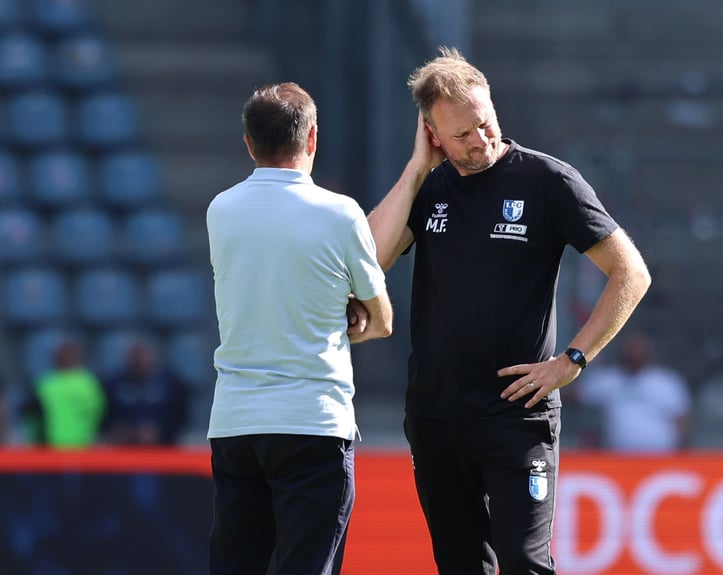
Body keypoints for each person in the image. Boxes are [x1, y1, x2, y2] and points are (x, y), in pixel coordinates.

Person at [368, 47, 651, 574]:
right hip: (435, 415)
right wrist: (415, 169)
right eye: (461, 134)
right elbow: (370, 261)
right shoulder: (428, 186)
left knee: (524, 563)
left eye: (485, 122)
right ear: (432, 134)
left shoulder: (548, 181)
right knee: (460, 565)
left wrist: (572, 360)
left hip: (517, 414)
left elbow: (631, 273)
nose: (480, 139)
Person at [205, 82, 393, 575]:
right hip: (313, 421)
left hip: (237, 423)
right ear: (312, 139)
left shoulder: (220, 209)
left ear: (248, 143)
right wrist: (350, 316)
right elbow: (383, 320)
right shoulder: (341, 212)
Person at [573, 332, 692, 451]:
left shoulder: (666, 382)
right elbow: (574, 395)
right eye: (631, 349)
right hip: (616, 456)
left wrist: (684, 452)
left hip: (661, 456)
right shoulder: (608, 380)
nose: (634, 354)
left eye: (638, 349)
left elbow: (681, 421)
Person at [19, 338, 106, 449]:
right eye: (64, 354)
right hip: (53, 447)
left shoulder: (90, 385)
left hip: (81, 447)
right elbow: (31, 416)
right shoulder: (45, 384)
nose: (67, 357)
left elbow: (100, 415)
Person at [102, 338, 189, 445]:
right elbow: (105, 415)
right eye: (135, 356)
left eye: (143, 356)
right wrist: (116, 429)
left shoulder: (170, 383)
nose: (139, 361)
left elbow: (180, 416)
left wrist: (160, 430)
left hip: (162, 446)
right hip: (123, 446)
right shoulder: (114, 384)